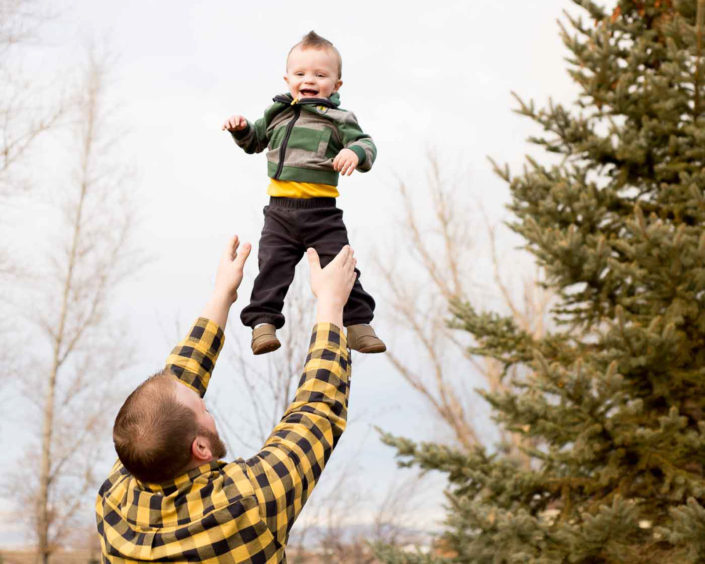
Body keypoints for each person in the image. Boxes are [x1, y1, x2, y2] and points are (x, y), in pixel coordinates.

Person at [96, 235, 358, 563]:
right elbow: (317, 410)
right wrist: (331, 303)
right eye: (202, 408)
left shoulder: (116, 498)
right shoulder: (246, 505)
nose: (205, 404)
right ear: (201, 449)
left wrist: (223, 294)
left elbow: (175, 388)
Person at [222, 30, 386, 356]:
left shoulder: (339, 119)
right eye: (300, 73)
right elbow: (255, 141)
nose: (309, 79)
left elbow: (365, 144)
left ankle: (358, 326)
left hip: (322, 213)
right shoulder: (276, 114)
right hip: (279, 212)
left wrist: (354, 153)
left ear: (336, 84)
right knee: (271, 266)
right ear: (287, 79)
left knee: (342, 266)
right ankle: (262, 325)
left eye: (320, 74)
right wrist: (241, 130)